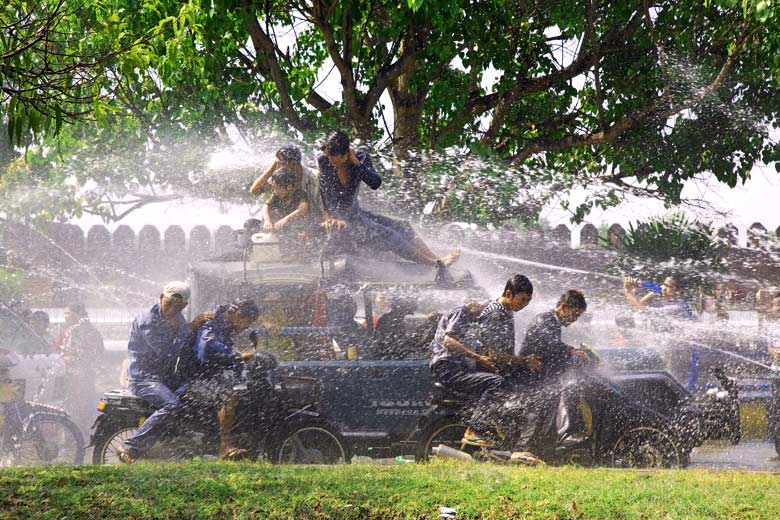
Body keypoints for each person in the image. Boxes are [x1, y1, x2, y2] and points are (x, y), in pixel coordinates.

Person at [318, 130, 460, 267]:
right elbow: (325, 193)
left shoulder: (360, 159)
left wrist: (357, 165)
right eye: (329, 157)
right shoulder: (324, 161)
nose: (331, 162)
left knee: (403, 226)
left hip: (356, 216)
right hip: (341, 221)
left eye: (335, 160)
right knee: (390, 235)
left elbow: (375, 183)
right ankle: (434, 264)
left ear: (346, 154)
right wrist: (329, 217)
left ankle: (437, 260)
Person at [430, 275, 539, 450]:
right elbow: (452, 342)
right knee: (498, 382)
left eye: (528, 301)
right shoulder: (482, 312)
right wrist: (522, 361)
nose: (484, 309)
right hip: (449, 368)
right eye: (523, 299)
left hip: (461, 367)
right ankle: (476, 429)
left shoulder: (503, 312)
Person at [117, 282, 192, 464]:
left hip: (163, 377)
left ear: (184, 306)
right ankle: (131, 446)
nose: (172, 309)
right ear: (161, 297)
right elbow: (167, 351)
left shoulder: (179, 319)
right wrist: (190, 329)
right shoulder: (147, 320)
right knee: (172, 405)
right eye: (169, 303)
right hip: (143, 378)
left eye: (177, 306)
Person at [514, 289, 589, 461]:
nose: (575, 319)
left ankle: (543, 449)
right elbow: (548, 343)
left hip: (539, 375)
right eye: (575, 314)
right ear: (563, 307)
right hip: (527, 375)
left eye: (578, 316)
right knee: (543, 400)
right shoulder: (544, 319)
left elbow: (553, 352)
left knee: (554, 396)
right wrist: (572, 351)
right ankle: (522, 449)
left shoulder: (554, 323)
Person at [186, 298, 262, 460]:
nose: (248, 326)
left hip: (208, 374)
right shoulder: (211, 320)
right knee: (228, 398)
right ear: (239, 315)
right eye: (248, 321)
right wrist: (237, 355)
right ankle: (224, 446)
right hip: (194, 377)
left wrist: (246, 364)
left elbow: (223, 355)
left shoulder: (226, 323)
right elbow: (206, 348)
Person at [55, 302, 105, 433]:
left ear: (77, 314)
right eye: (65, 313)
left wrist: (72, 357)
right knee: (71, 405)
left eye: (68, 313)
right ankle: (73, 434)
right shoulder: (68, 330)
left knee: (82, 406)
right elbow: (57, 347)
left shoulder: (85, 330)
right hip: (70, 375)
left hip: (82, 375)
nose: (65, 316)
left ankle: (81, 434)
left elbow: (94, 353)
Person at [250, 145, 321, 217]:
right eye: (278, 163)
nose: (279, 166)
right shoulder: (278, 177)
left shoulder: (314, 177)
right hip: (279, 223)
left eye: (281, 163)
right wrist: (272, 168)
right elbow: (255, 191)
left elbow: (321, 204)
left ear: (294, 164)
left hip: (308, 222)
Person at [623, 276, 694, 322]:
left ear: (678, 291)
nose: (662, 287)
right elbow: (650, 287)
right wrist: (635, 282)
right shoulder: (673, 297)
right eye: (663, 284)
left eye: (667, 286)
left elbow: (645, 310)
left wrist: (626, 290)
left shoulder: (677, 308)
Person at [261, 167, 310, 234]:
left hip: (294, 228)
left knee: (288, 229)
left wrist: (286, 219)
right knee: (250, 222)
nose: (274, 191)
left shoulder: (300, 194)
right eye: (273, 188)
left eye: (277, 188)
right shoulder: (276, 195)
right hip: (277, 226)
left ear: (289, 187)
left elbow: (303, 209)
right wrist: (267, 220)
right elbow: (265, 206)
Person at [764, 294, 780, 459]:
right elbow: (770, 347)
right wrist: (775, 352)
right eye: (777, 305)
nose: (779, 308)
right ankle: (779, 451)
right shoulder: (772, 327)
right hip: (776, 373)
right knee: (776, 411)